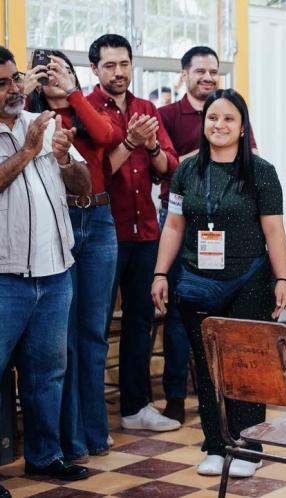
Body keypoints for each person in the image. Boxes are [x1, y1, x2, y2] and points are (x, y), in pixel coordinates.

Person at [151, 89, 286, 479]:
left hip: (250, 280)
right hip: (197, 282)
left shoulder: (261, 171)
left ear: (243, 127)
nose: (220, 125)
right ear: (203, 124)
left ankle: (248, 448)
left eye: (229, 118)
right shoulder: (186, 171)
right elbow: (174, 226)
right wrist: (160, 273)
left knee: (246, 365)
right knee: (208, 367)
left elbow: (274, 230)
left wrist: (282, 278)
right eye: (213, 117)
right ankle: (215, 445)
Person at [0, 45, 92, 490]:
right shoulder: (31, 135)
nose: (13, 89)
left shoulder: (45, 122)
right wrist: (30, 150)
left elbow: (83, 186)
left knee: (47, 374)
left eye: (15, 79)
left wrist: (63, 157)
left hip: (56, 273)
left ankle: (44, 456)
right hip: (6, 278)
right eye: (2, 83)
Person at [25, 49, 118, 462]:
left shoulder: (88, 107)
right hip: (58, 221)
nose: (54, 77)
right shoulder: (33, 118)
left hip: (98, 220)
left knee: (93, 335)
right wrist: (31, 92)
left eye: (61, 69)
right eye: (46, 72)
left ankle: (95, 434)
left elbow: (105, 136)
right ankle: (71, 440)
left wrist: (72, 91)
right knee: (65, 342)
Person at [85, 33, 181, 432]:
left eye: (124, 64)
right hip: (103, 236)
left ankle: (136, 408)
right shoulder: (87, 111)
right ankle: (90, 419)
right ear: (94, 69)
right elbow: (97, 175)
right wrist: (129, 141)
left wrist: (152, 145)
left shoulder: (146, 108)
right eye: (109, 65)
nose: (119, 72)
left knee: (141, 322)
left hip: (147, 234)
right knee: (95, 328)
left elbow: (170, 166)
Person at [157, 46, 258, 423]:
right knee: (180, 313)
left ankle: (223, 400)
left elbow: (250, 158)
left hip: (228, 225)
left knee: (229, 317)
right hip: (182, 219)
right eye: (200, 71)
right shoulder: (168, 115)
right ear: (184, 74)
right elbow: (164, 165)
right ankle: (176, 397)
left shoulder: (232, 108)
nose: (208, 77)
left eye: (214, 71)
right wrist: (206, 152)